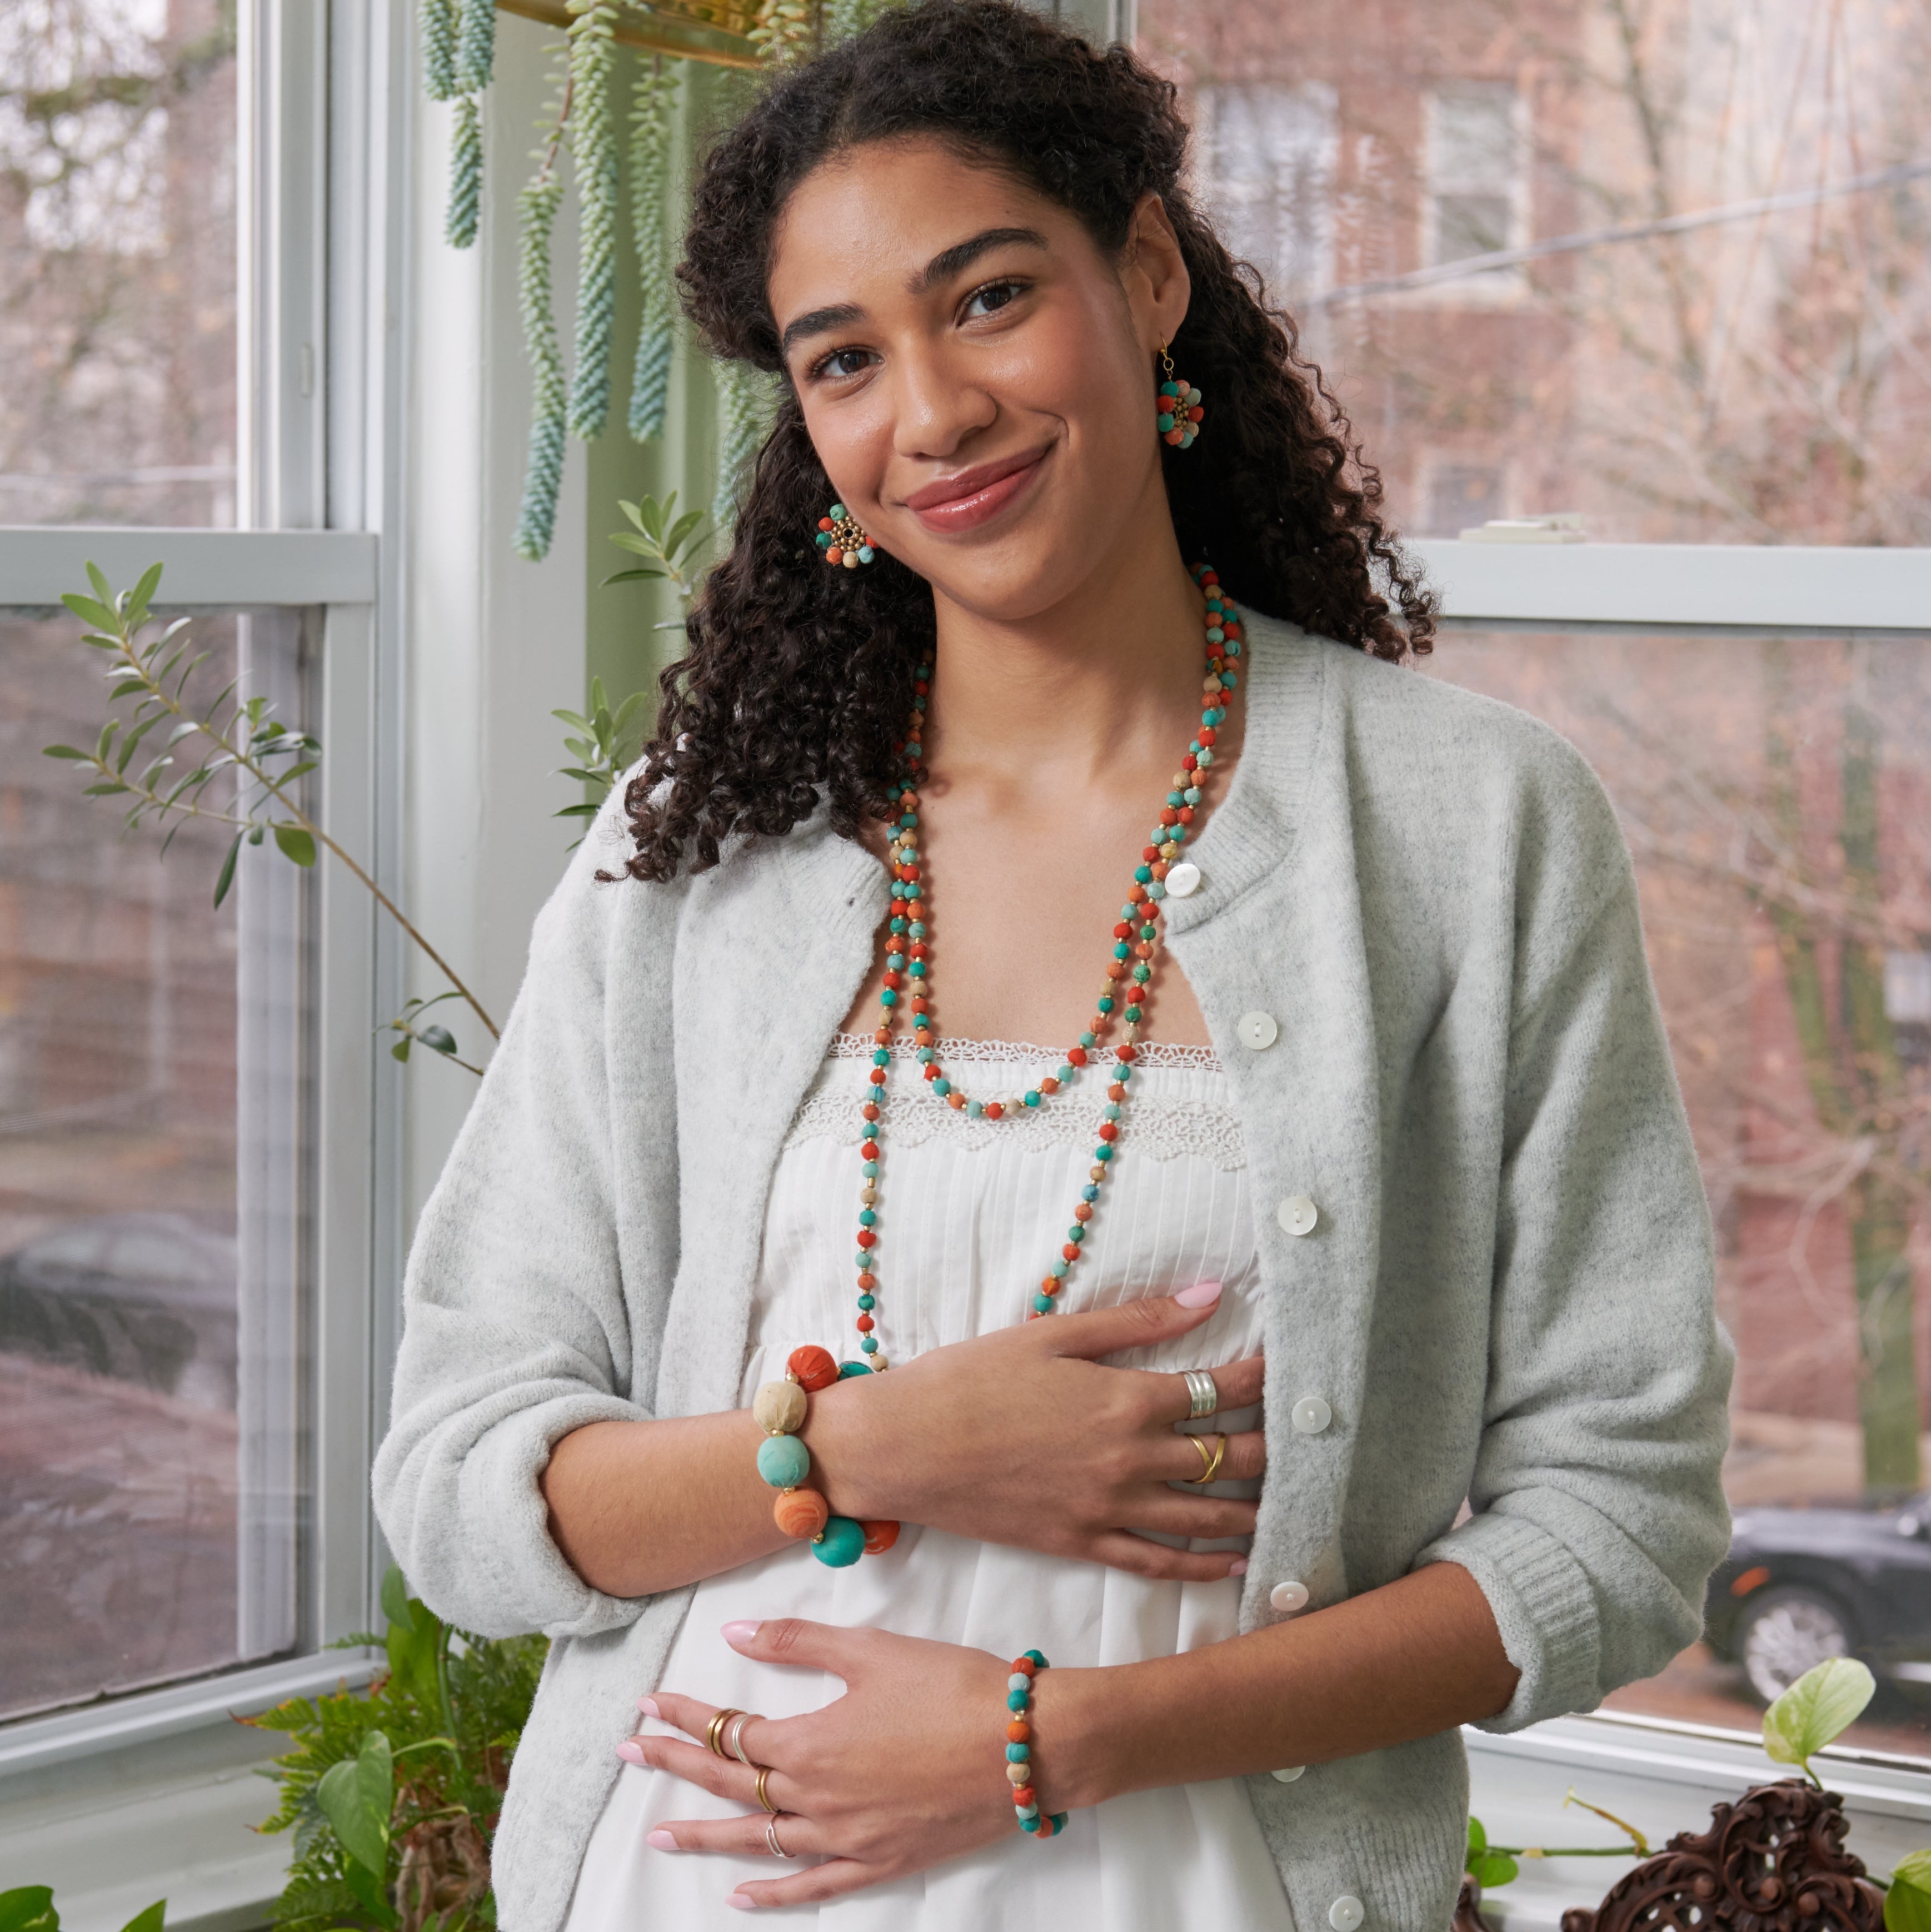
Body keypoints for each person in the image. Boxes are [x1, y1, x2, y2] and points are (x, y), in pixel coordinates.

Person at [372, 4, 1732, 1927]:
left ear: (1149, 274)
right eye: (844, 360)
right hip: (680, 1877)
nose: (929, 412)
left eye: (988, 298)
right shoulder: (702, 844)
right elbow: (456, 1486)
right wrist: (870, 1445)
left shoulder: (1467, 827)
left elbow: (1618, 1525)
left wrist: (1058, 1735)